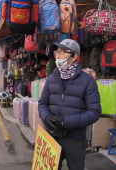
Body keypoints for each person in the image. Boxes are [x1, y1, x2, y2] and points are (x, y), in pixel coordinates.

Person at [38, 39, 101, 170]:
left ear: (75, 57)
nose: (58, 55)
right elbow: (42, 103)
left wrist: (66, 121)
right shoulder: (51, 78)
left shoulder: (88, 81)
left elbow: (94, 112)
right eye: (57, 52)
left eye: (62, 52)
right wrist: (46, 118)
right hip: (52, 136)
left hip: (75, 139)